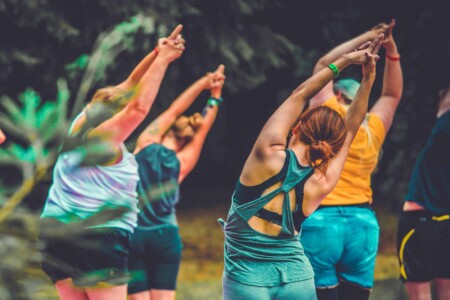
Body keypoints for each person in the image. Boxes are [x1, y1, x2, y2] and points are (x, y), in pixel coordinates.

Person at [219, 35, 383, 300]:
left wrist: (341, 62)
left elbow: (301, 94)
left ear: (297, 126)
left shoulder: (266, 153)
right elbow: (351, 128)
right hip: (297, 277)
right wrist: (369, 79)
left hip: (247, 277)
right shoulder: (322, 180)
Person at [39, 25, 185, 300]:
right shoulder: (102, 139)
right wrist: (163, 60)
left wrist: (157, 53)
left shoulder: (83, 120)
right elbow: (138, 107)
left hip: (55, 234)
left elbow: (131, 83)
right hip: (97, 237)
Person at [300, 20, 403, 300]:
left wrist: (370, 35)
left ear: (336, 92)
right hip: (363, 224)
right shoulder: (371, 126)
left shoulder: (327, 112)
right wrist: (391, 49)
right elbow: (392, 94)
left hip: (320, 220)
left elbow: (324, 64)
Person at [127, 65, 226, 300]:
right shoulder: (182, 162)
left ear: (170, 130)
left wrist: (203, 82)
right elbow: (203, 130)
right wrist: (215, 96)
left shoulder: (146, 143)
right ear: (186, 140)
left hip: (135, 234)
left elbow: (175, 109)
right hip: (166, 237)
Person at [397, 84, 450, 300]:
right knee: (446, 289)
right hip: (447, 219)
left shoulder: (444, 126)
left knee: (420, 293)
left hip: (421, 220)